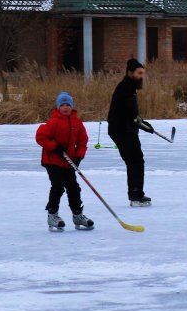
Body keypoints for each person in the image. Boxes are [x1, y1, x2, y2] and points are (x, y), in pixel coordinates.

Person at [35, 92, 93, 231]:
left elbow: (82, 141)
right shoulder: (53, 122)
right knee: (58, 186)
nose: (65, 107)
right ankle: (52, 215)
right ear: (58, 107)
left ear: (72, 106)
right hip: (52, 160)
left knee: (73, 187)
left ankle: (77, 215)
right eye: (62, 105)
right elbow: (40, 137)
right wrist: (54, 147)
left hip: (69, 162)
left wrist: (78, 157)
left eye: (68, 105)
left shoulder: (77, 123)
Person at [107, 58, 151, 206]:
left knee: (136, 160)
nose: (141, 76)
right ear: (130, 72)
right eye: (139, 73)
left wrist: (142, 123)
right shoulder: (125, 88)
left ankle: (137, 193)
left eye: (142, 73)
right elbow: (129, 113)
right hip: (121, 130)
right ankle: (135, 195)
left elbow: (132, 114)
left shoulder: (129, 87)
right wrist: (141, 124)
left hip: (126, 129)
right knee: (135, 161)